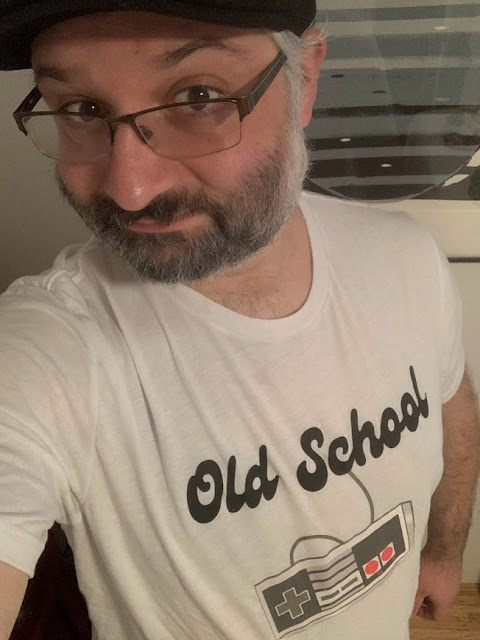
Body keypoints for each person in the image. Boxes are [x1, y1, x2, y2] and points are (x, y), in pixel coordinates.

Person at [0, 1, 478, 639]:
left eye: (198, 97)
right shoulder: (49, 351)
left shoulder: (406, 256)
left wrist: (442, 551)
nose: (129, 188)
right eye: (82, 109)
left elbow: (450, 401)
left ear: (305, 78)